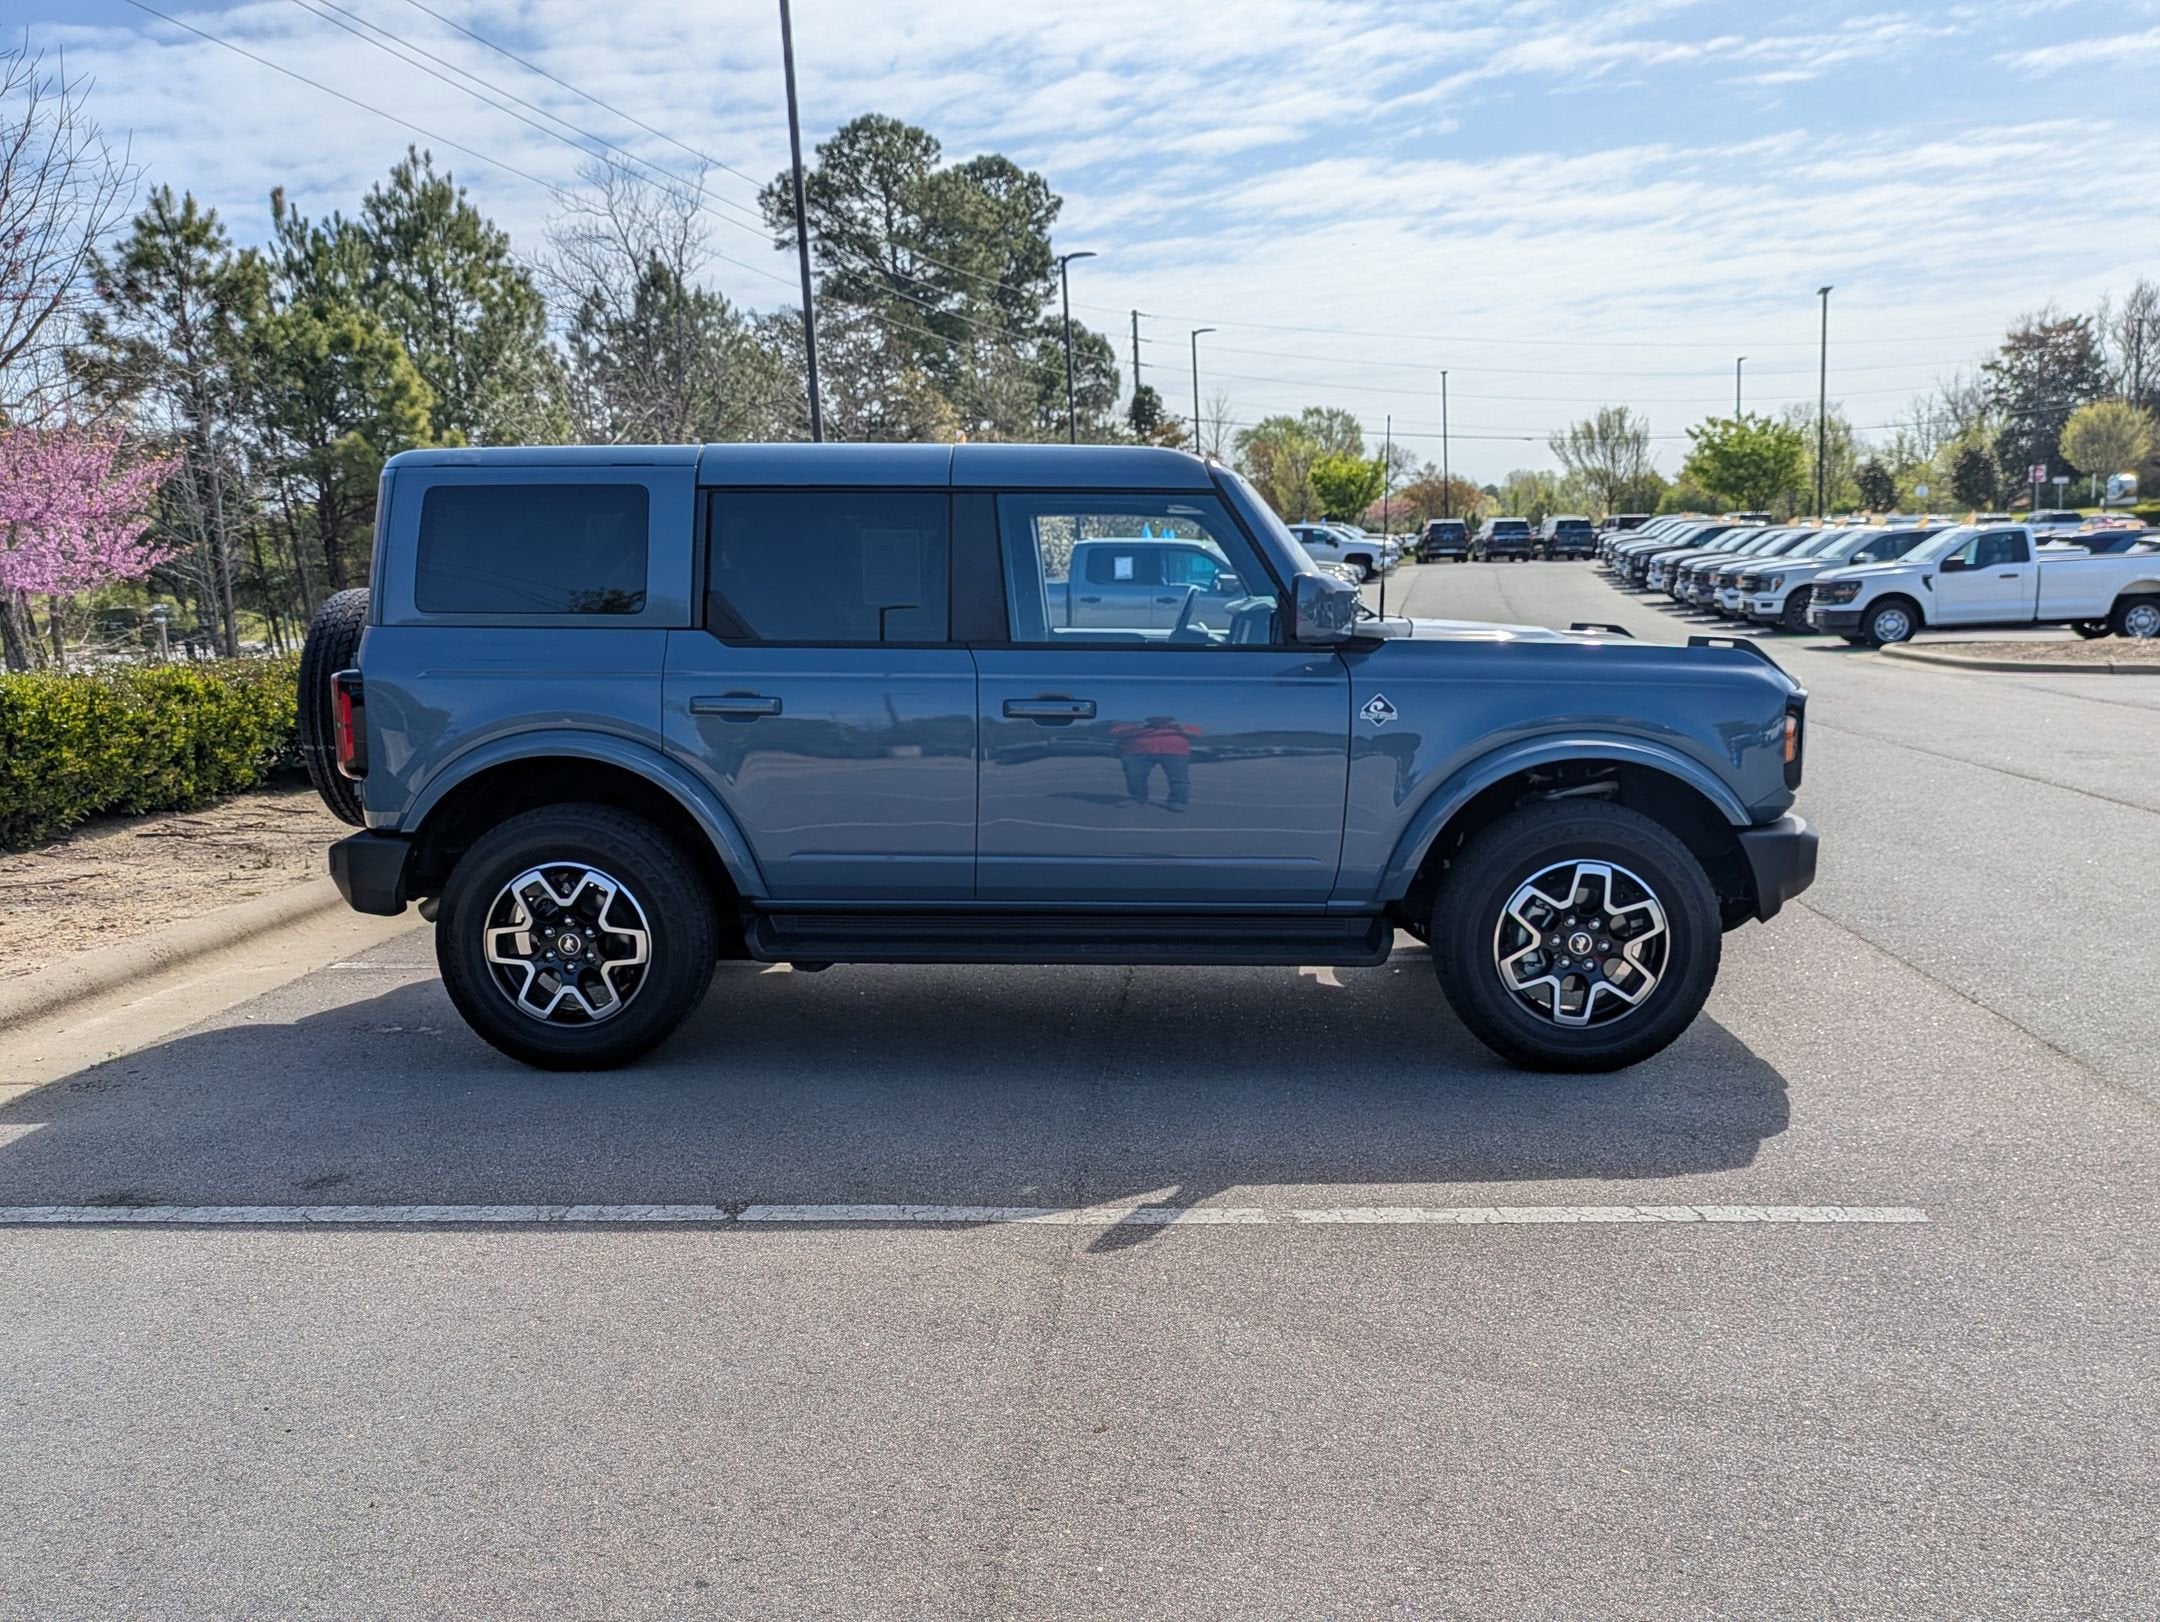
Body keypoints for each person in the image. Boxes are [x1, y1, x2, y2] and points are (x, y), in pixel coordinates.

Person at [1111, 715, 1201, 811]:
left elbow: (1195, 735)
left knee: (1179, 779)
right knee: (1134, 777)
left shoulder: (1183, 726)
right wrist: (1139, 727)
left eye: (1164, 719)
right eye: (1156, 719)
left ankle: (1178, 801)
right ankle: (1137, 799)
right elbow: (1116, 733)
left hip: (1176, 753)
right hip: (1137, 753)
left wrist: (1179, 728)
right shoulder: (1134, 725)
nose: (1159, 721)